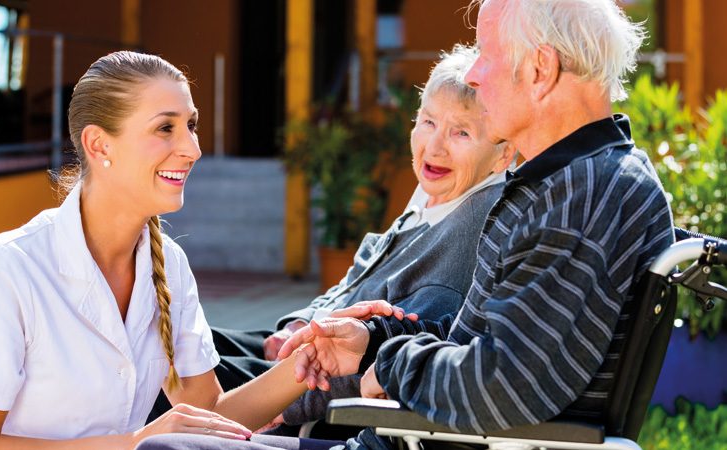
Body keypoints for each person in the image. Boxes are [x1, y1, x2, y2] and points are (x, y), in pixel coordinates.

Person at [268, 0, 675, 449]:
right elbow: (481, 343)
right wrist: (372, 342)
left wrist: (391, 364)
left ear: (540, 68)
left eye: (486, 53)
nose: (474, 74)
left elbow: (506, 383)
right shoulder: (568, 181)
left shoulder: (586, 194)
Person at [0, 51, 338, 450]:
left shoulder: (169, 264)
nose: (192, 148)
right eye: (166, 128)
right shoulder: (6, 271)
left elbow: (209, 419)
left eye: (191, 125)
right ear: (99, 145)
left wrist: (309, 358)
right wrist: (136, 442)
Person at [194, 43, 515, 429]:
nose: (434, 146)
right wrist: (299, 322)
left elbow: (392, 357)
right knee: (181, 346)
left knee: (172, 375)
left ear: (503, 154)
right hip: (305, 349)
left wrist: (283, 410)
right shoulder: (438, 194)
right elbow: (353, 283)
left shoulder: (474, 222)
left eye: (460, 132)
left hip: (314, 386)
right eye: (427, 122)